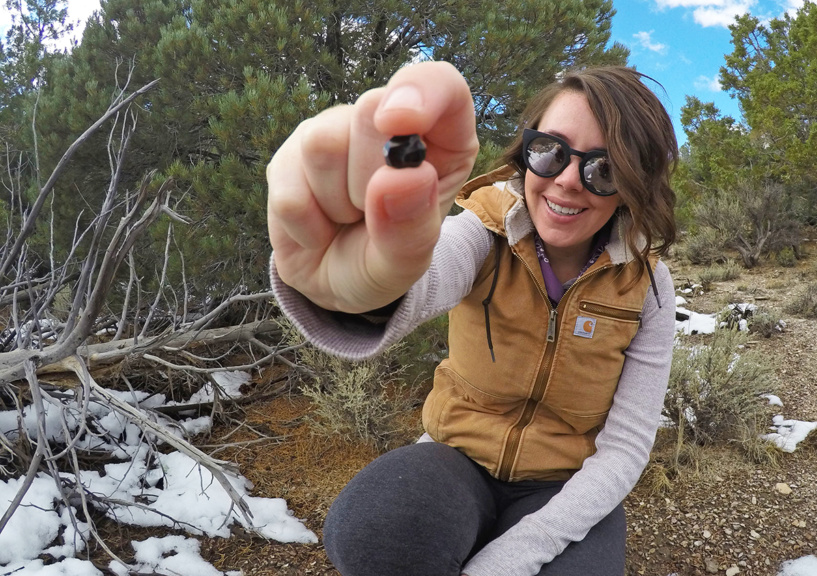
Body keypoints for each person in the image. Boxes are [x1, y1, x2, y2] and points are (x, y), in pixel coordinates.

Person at [266, 61, 679, 576]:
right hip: (456, 457)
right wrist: (363, 291)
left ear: (634, 184)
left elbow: (625, 448)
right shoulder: (484, 231)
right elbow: (426, 276)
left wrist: (509, 558)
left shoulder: (648, 287)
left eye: (605, 169)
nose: (568, 180)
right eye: (550, 150)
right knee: (374, 533)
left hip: (566, 482)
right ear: (526, 151)